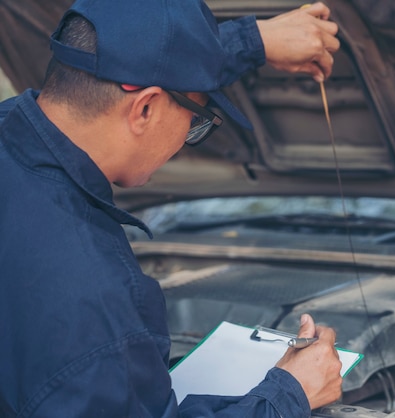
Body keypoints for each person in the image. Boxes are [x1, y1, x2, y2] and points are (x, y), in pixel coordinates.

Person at [0, 0, 342, 417]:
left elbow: (139, 56)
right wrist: (289, 395)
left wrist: (252, 42)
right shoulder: (92, 300)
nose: (185, 138)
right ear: (144, 107)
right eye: (197, 118)